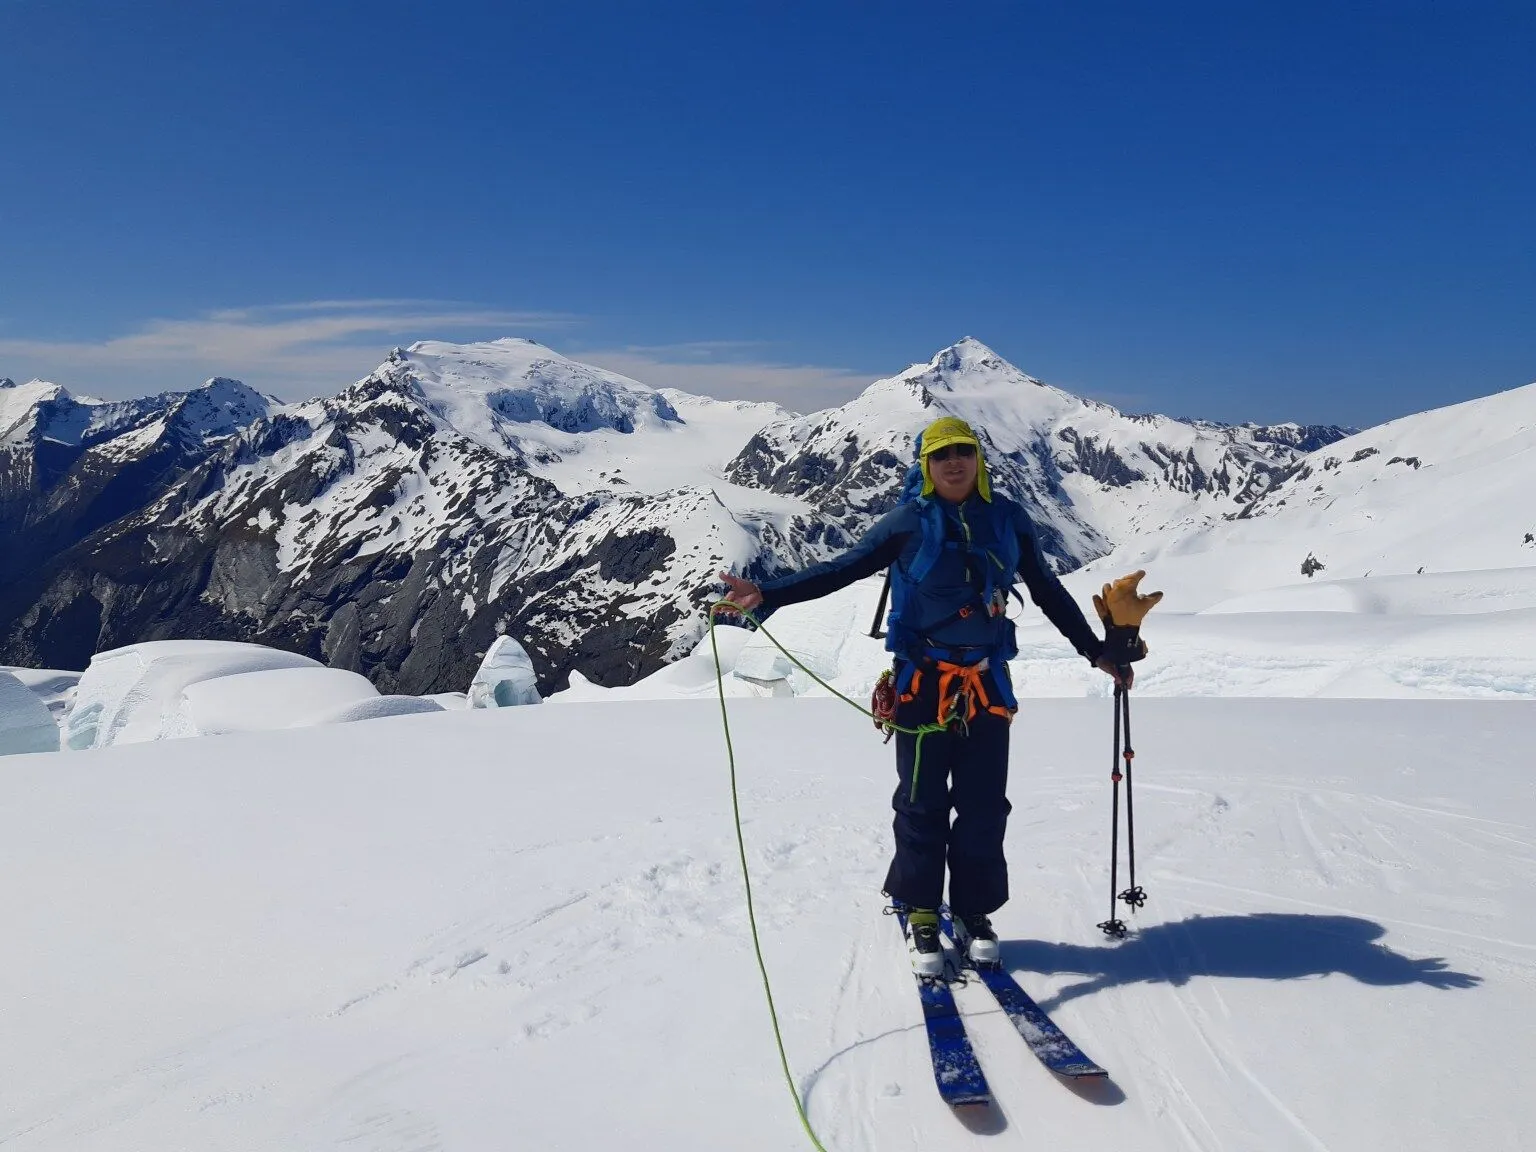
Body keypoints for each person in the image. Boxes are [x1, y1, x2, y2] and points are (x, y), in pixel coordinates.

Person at [718, 416, 1158, 976]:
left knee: (983, 804)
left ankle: (973, 911)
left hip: (985, 684)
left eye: (964, 452)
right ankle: (923, 909)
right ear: (925, 466)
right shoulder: (907, 522)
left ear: (978, 459)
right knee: (922, 803)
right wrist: (768, 594)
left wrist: (1095, 651)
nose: (954, 462)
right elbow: (844, 568)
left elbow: (1045, 587)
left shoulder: (1007, 520)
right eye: (942, 454)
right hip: (923, 684)